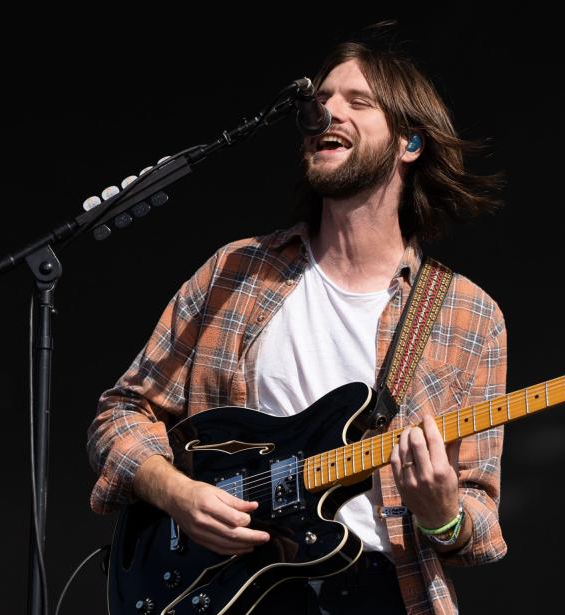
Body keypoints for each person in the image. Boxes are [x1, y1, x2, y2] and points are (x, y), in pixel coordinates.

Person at [87, 24, 508, 615]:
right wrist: (178, 493)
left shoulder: (468, 315)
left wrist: (443, 517)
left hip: (383, 595)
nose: (327, 112)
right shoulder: (235, 271)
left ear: (410, 144)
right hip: (228, 594)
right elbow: (120, 414)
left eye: (358, 102)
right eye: (322, 102)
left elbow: (479, 518)